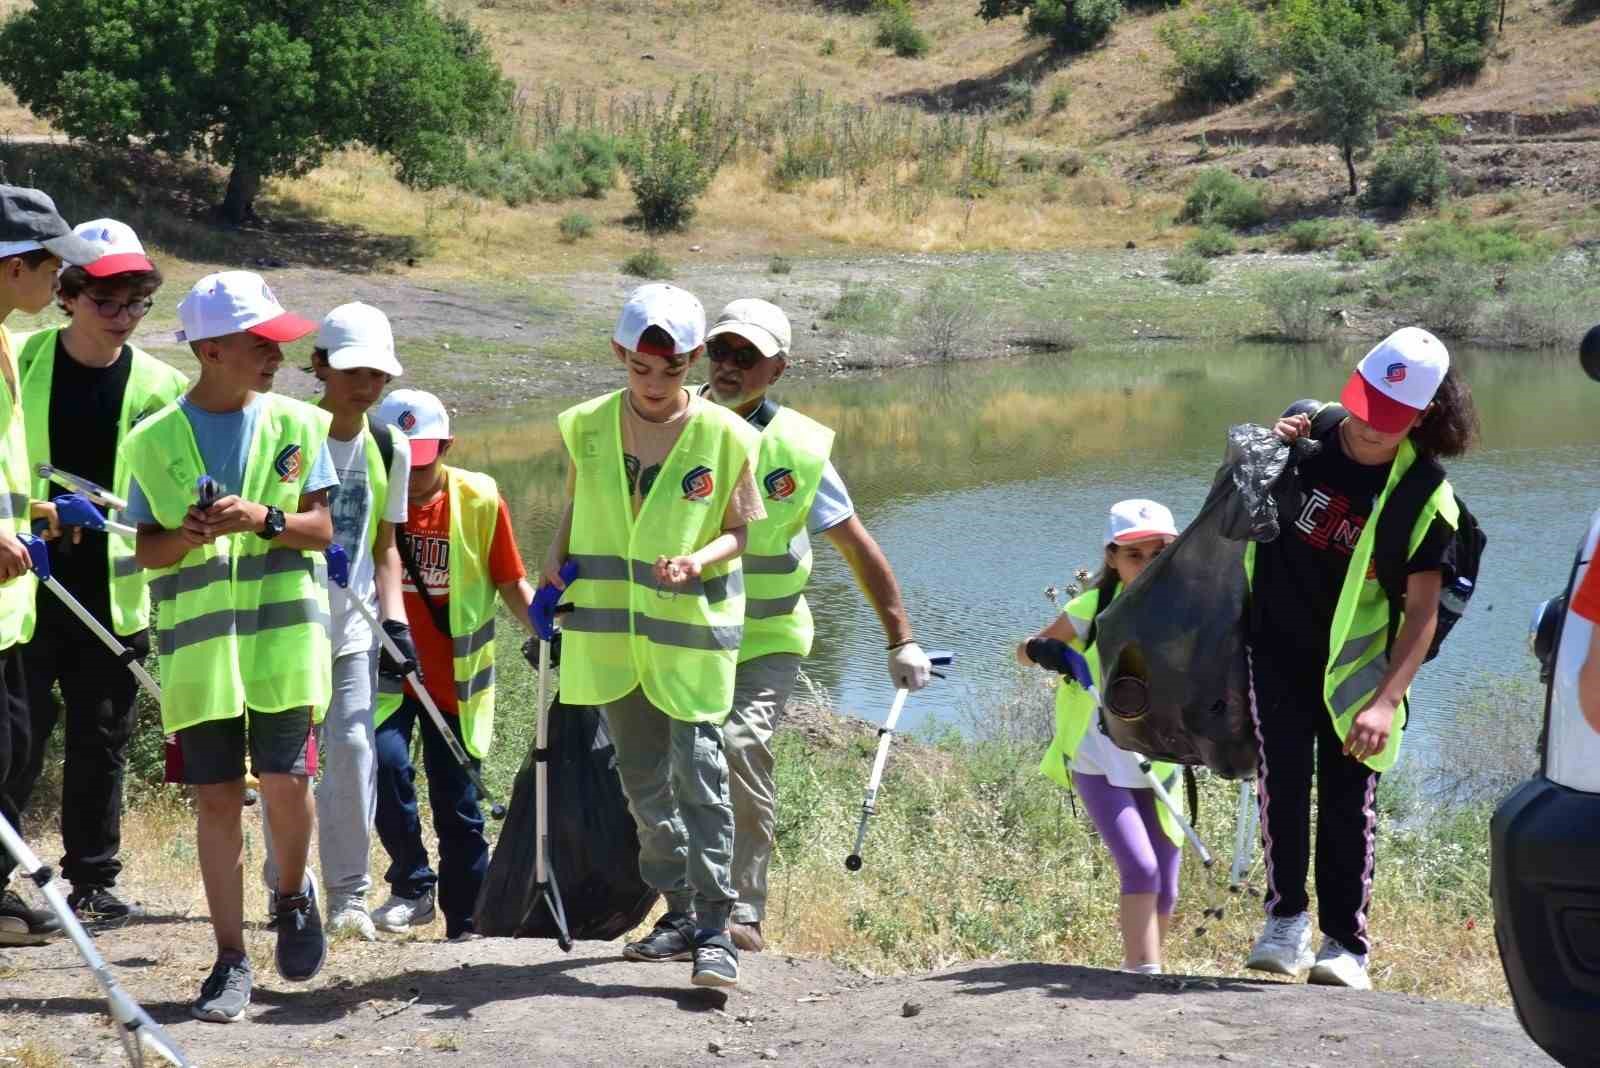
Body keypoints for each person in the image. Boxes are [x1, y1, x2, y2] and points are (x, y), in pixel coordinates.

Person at [123, 271, 337, 1022]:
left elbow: (322, 530)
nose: (279, 354)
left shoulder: (300, 426)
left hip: (282, 649)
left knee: (286, 784)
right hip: (201, 658)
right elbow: (142, 551)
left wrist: (265, 519)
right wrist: (182, 536)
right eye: (262, 342)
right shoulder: (150, 441)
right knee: (215, 799)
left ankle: (290, 896)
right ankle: (230, 960)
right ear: (212, 351)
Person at [542, 283, 763, 988]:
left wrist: (698, 560)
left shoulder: (727, 436)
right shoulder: (585, 425)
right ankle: (677, 909)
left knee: (700, 779)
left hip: (688, 642)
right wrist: (550, 574)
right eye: (642, 368)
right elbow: (575, 512)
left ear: (694, 360)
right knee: (641, 787)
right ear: (620, 354)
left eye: (671, 371)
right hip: (610, 640)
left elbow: (739, 533)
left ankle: (714, 927)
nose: (656, 384)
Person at [1243, 327, 1477, 990]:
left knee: (1348, 803)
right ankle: (1285, 920)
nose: (1371, 429)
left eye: (1391, 421)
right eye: (1367, 407)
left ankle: (1345, 944)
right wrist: (1269, 450)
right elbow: (1241, 514)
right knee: (1281, 785)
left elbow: (1422, 614)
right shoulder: (1310, 431)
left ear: (1423, 417)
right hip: (1276, 651)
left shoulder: (1423, 495)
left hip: (1357, 675)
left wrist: (1385, 701)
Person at [697, 298, 932, 952]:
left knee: (742, 746)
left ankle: (742, 910)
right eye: (720, 351)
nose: (729, 366)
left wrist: (901, 639)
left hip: (763, 640)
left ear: (778, 368)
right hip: (674, 639)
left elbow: (857, 546)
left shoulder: (797, 448)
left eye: (747, 357)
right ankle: (675, 905)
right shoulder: (668, 417)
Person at [1, 220, 186, 930]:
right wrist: (42, 510)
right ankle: (2, 878)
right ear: (69, 295)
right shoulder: (22, 358)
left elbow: (168, 494)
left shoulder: (161, 384)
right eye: (109, 301)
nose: (124, 318)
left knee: (101, 737)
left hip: (112, 591)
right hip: (26, 581)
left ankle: (95, 880)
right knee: (18, 739)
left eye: (138, 302)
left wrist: (119, 512)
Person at [259, 303, 412, 941]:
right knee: (289, 766)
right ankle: (286, 887)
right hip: (288, 623)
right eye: (351, 369)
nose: (365, 384)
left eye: (378, 373)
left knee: (352, 750)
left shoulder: (388, 443)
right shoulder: (289, 429)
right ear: (319, 365)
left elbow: (384, 545)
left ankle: (350, 897)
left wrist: (396, 623)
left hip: (353, 629)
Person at [369, 387, 532, 941]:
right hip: (388, 677)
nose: (411, 475)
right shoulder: (366, 494)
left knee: (459, 808)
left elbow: (511, 582)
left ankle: (466, 925)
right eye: (399, 462)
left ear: (447, 446)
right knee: (385, 773)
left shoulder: (479, 499)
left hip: (455, 687)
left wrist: (549, 636)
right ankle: (412, 884)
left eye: (423, 460)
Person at [1017, 499, 1185, 974]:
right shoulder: (1092, 608)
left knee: (1168, 882)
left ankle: (1150, 966)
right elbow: (1023, 653)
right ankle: (1141, 974)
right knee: (1142, 868)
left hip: (1158, 763)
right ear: (1111, 556)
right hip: (1098, 763)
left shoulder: (1182, 608)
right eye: (1135, 555)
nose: (1147, 565)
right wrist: (1046, 653)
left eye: (1158, 554)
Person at [0, 186, 104, 947]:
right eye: (52, 270)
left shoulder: (6, 341)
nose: (60, 287)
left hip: (10, 605)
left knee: (14, 747)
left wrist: (37, 513)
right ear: (14, 267)